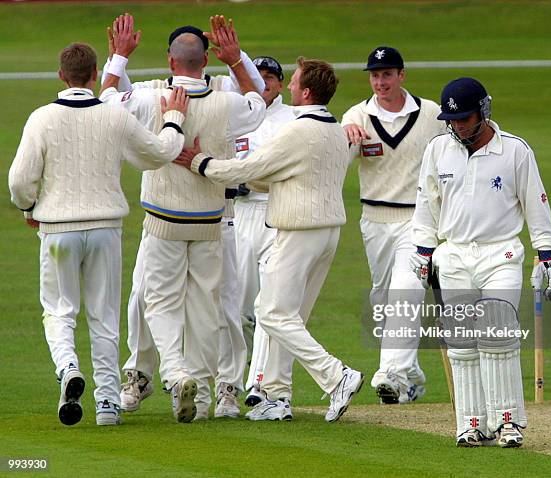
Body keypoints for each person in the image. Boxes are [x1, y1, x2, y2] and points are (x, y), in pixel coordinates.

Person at [174, 57, 364, 422]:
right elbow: (279, 177)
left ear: (306, 92)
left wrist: (200, 162)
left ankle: (337, 376)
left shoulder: (297, 130)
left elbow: (249, 169)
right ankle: (277, 395)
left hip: (298, 231)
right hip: (328, 234)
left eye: (294, 82)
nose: (289, 87)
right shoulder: (335, 130)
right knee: (291, 317)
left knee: (271, 312)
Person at [7, 42, 188, 426]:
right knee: (104, 317)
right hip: (105, 229)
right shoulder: (113, 116)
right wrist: (174, 118)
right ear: (93, 76)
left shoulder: (42, 117)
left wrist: (28, 208)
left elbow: (20, 179)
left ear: (61, 76)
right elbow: (157, 153)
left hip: (58, 231)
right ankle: (107, 405)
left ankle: (68, 367)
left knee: (59, 311)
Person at [100, 14, 265, 422]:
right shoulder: (228, 100)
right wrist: (236, 60)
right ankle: (203, 397)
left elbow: (105, 103)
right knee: (206, 310)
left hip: (163, 221)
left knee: (157, 302)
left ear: (171, 63)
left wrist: (119, 56)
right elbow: (259, 101)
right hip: (211, 220)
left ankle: (176, 376)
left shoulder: (147, 99)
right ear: (205, 60)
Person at [409, 77, 551, 447]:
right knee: (462, 342)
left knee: (498, 335)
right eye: (453, 119)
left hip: (501, 254)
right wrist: (423, 249)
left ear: (483, 111)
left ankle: (508, 421)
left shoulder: (514, 150)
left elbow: (536, 204)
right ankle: (471, 422)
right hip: (454, 254)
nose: (459, 125)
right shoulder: (438, 149)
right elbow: (426, 204)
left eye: (465, 118)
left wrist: (547, 254)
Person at [341, 46, 446, 404]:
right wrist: (346, 136)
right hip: (375, 220)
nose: (380, 82)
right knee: (384, 300)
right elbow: (339, 156)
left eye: (387, 74)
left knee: (407, 292)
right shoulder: (357, 115)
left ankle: (390, 373)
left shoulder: (431, 113)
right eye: (374, 75)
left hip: (419, 221)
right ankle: (411, 376)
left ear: (402, 75)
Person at [231, 56, 297, 407]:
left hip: (275, 213)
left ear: (281, 84)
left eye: (271, 78)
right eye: (259, 77)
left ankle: (259, 383)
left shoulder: (292, 118)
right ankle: (232, 381)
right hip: (240, 215)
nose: (265, 83)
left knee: (268, 304)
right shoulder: (239, 112)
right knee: (239, 307)